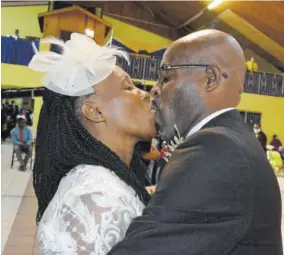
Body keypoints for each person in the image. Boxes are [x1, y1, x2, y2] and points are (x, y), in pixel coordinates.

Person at [109, 30, 282, 254]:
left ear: (211, 78)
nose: (155, 89)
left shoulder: (215, 149)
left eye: (166, 77)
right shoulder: (232, 141)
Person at [29, 33, 156, 254]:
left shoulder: (100, 182)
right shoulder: (95, 198)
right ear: (95, 111)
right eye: (128, 88)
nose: (144, 94)